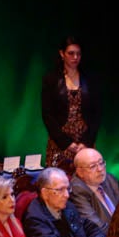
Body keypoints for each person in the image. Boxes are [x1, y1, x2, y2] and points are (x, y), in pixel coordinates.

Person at [41, 35, 102, 171]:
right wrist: (66, 143)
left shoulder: (90, 79)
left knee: (87, 179)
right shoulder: (51, 79)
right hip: (60, 142)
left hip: (84, 141)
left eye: (78, 54)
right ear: (62, 54)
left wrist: (86, 142)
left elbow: (97, 113)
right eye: (71, 53)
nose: (75, 57)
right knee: (58, 181)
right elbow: (47, 115)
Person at [69, 148, 119, 233]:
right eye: (92, 166)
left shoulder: (109, 179)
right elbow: (95, 226)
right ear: (80, 172)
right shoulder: (77, 190)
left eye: (101, 163)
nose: (100, 169)